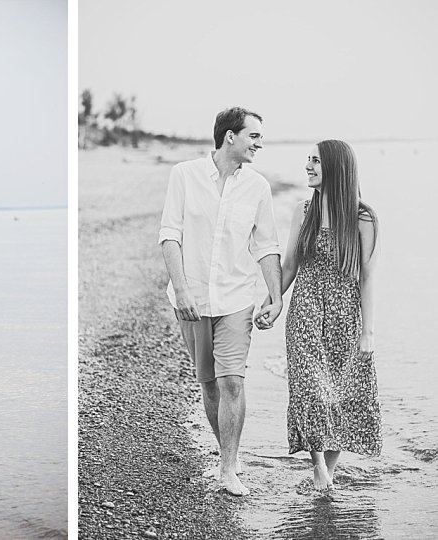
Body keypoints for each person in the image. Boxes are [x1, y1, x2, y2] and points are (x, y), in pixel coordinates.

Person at [159, 107, 283, 496]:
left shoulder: (258, 187)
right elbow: (170, 235)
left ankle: (229, 468)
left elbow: (266, 246)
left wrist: (275, 297)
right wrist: (181, 290)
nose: (259, 143)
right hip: (192, 297)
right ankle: (225, 449)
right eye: (254, 136)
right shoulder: (184, 175)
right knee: (209, 383)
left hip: (236, 298)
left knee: (232, 381)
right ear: (230, 136)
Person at [266, 139, 380, 491]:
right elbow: (289, 265)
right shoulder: (304, 211)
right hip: (305, 312)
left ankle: (325, 475)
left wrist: (368, 332)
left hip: (346, 316)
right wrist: (273, 300)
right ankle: (319, 470)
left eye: (315, 161)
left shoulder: (364, 218)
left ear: (335, 167)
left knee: (343, 396)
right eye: (308, 160)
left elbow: (368, 277)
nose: (308, 166)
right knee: (309, 391)